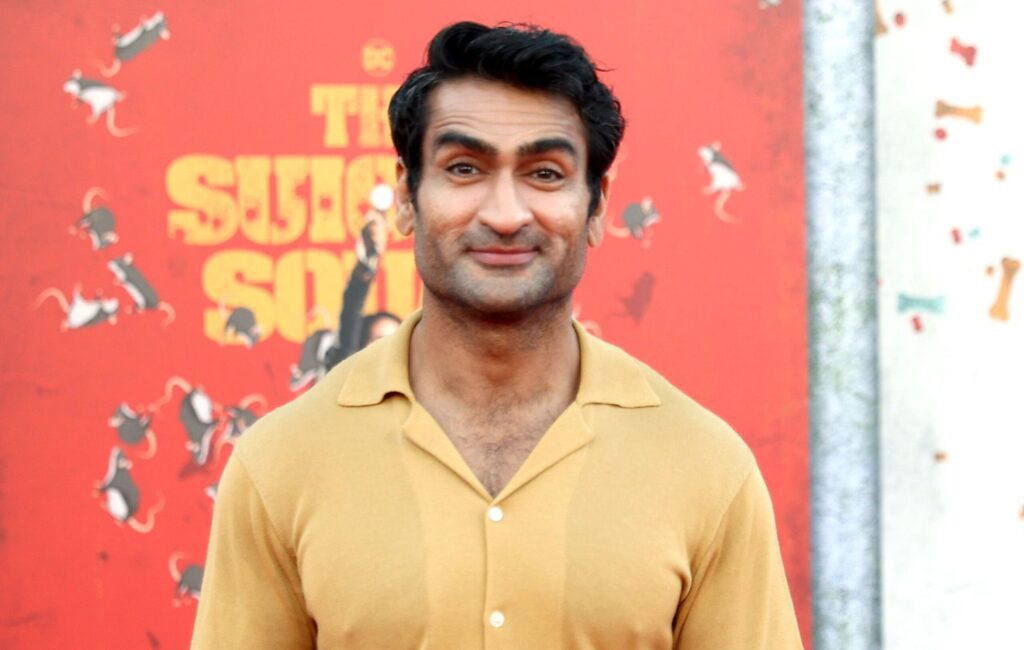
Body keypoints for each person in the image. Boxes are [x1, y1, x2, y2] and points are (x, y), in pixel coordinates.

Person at [192, 21, 803, 649]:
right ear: (406, 196)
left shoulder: (705, 467)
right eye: (464, 168)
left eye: (545, 174)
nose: (505, 215)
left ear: (596, 205)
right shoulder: (281, 463)